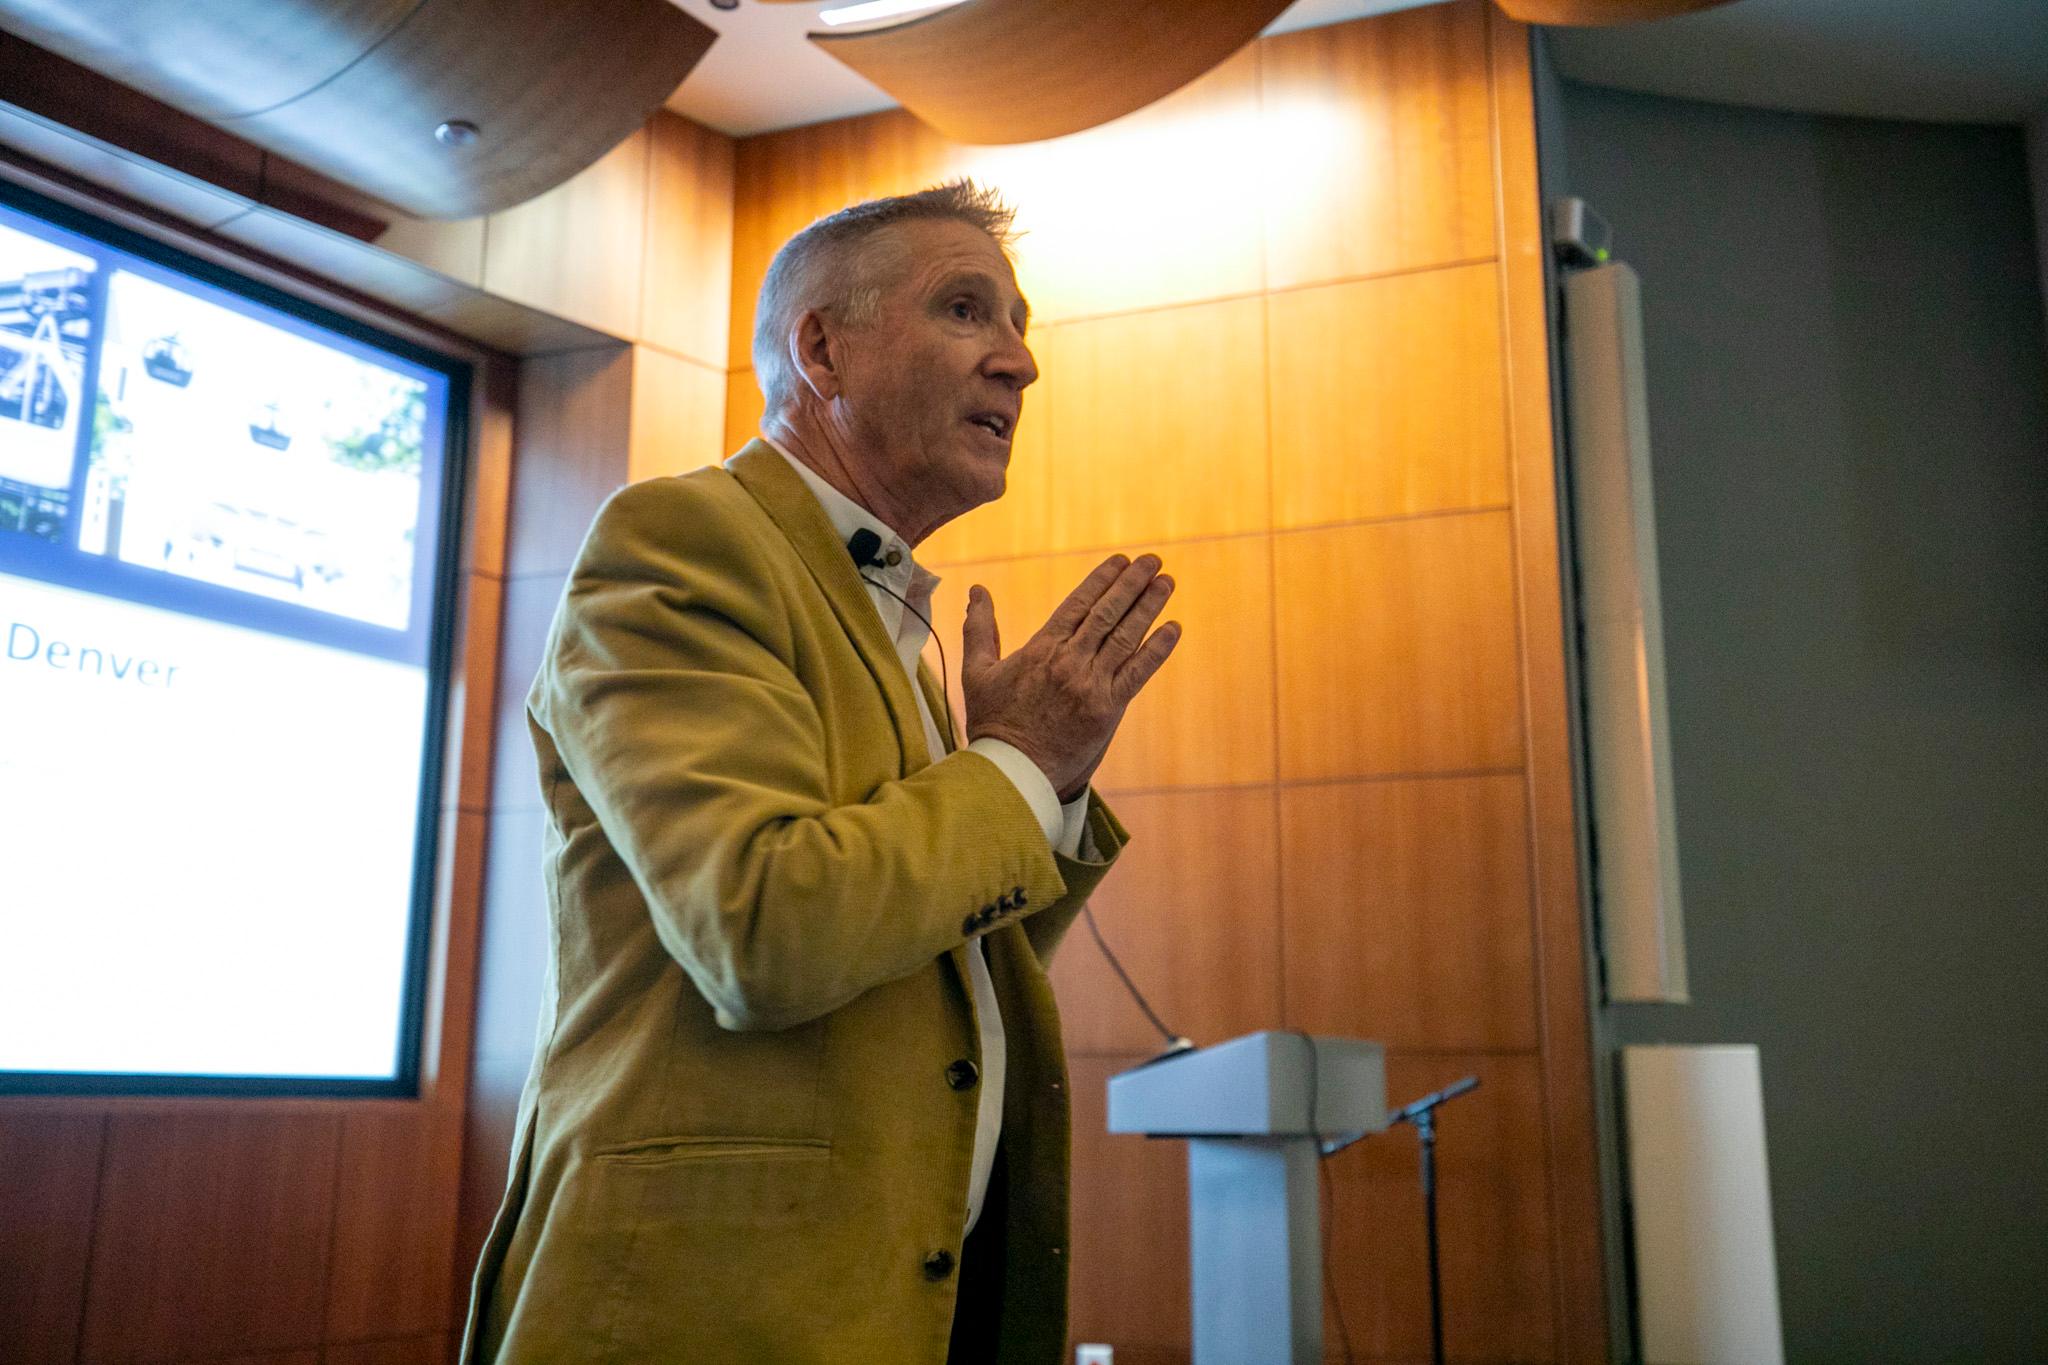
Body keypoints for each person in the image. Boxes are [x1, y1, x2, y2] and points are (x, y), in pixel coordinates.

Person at [462, 180, 1181, 1365]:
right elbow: (765, 930)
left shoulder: (880, 604)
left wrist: (1036, 790)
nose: (1018, 365)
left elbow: (918, 982)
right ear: (821, 349)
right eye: (967, 311)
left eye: (1020, 326)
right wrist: (1012, 765)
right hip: (705, 1313)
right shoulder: (682, 541)